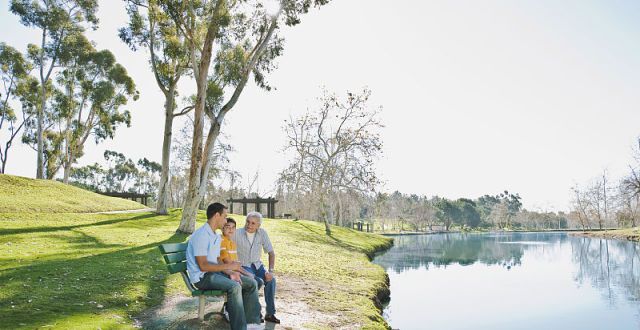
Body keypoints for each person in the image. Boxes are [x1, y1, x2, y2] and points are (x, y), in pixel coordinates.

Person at [186, 203, 262, 330]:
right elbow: (203, 266)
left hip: (214, 273)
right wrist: (230, 266)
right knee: (235, 286)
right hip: (202, 278)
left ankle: (252, 324)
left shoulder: (214, 235)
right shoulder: (202, 235)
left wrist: (230, 272)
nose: (226, 220)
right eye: (225, 216)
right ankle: (240, 327)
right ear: (217, 215)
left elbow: (217, 261)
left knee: (251, 283)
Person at [235, 211, 280, 324]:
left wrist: (270, 271)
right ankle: (255, 312)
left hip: (258, 265)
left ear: (259, 225)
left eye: (253, 223)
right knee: (256, 282)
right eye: (248, 222)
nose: (249, 225)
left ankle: (270, 313)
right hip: (244, 266)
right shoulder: (237, 233)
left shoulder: (262, 233)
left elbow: (271, 253)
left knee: (271, 280)